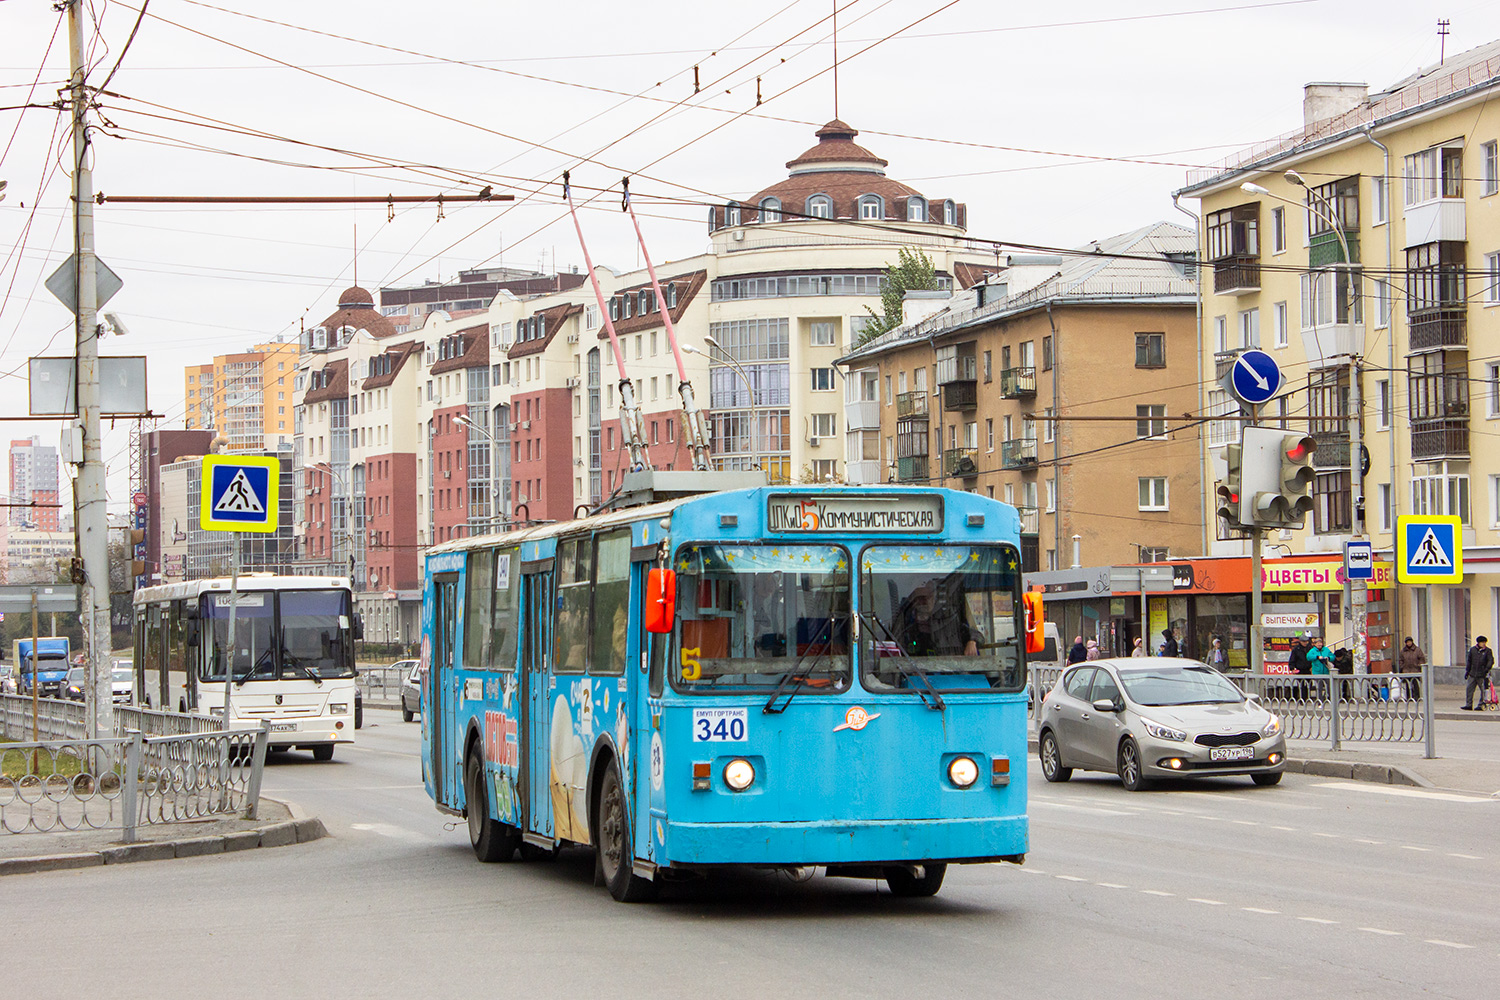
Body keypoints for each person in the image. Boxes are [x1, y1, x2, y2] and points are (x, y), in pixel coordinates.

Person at [1463, 635, 1494, 710]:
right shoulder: (1473, 650)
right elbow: (1469, 661)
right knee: (1469, 689)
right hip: (1473, 673)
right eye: (1482, 642)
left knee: (1483, 690)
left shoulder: (1488, 651)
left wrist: (1486, 669)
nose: (1484, 644)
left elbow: (1491, 661)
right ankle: (1469, 704)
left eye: (1484, 642)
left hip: (1482, 674)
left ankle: (1481, 705)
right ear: (1478, 643)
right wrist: (1467, 671)